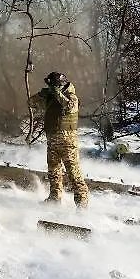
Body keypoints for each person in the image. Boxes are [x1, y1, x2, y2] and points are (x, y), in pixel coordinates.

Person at [29, 71, 89, 207]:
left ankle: (82, 201)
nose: (51, 88)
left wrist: (57, 94)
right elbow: (31, 103)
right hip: (53, 141)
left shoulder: (71, 96)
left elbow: (70, 107)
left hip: (68, 144)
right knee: (54, 171)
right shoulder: (50, 97)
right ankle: (55, 198)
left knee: (73, 173)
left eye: (53, 86)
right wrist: (41, 94)